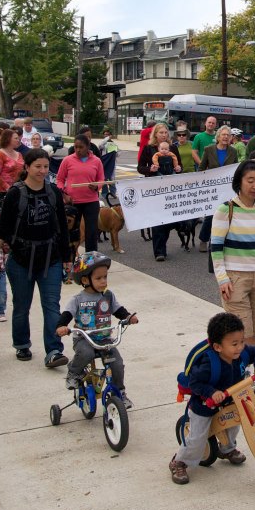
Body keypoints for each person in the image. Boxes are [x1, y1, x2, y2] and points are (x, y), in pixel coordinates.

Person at [0, 149, 71, 366]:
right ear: (27, 168)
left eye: (45, 167)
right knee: (22, 306)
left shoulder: (53, 192)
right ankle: (22, 345)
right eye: (38, 167)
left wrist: (67, 259)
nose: (43, 171)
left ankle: (54, 351)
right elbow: (2, 229)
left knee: (52, 305)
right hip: (21, 260)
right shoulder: (16, 193)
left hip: (50, 258)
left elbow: (62, 227)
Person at [168, 312, 255, 485]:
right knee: (197, 438)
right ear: (218, 347)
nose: (240, 347)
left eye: (242, 342)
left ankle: (227, 449)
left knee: (235, 422)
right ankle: (180, 461)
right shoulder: (208, 363)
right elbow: (195, 383)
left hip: (230, 399)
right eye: (234, 344)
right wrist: (211, 392)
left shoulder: (242, 353)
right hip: (205, 405)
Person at [210, 160, 255, 349]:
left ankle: (244, 373)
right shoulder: (226, 210)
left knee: (254, 332)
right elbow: (216, 248)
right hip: (235, 279)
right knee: (240, 332)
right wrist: (222, 279)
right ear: (239, 181)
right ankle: (239, 374)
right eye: (250, 180)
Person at [56, 251, 138, 407]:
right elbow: (67, 314)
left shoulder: (108, 296)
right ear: (86, 280)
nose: (103, 281)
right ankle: (73, 372)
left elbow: (118, 310)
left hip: (104, 338)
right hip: (84, 338)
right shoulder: (78, 299)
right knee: (86, 353)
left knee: (117, 364)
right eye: (98, 278)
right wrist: (61, 326)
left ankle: (119, 392)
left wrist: (128, 317)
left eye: (105, 277)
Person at [138, 123, 181, 261]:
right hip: (154, 189)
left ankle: (162, 244)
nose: (163, 135)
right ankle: (159, 251)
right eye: (161, 132)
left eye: (165, 132)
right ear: (155, 134)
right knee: (157, 221)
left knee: (168, 221)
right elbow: (140, 167)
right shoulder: (149, 148)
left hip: (170, 189)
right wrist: (149, 169)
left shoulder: (173, 148)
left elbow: (179, 166)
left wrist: (179, 169)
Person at [57, 135, 104, 252]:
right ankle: (70, 258)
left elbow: (101, 179)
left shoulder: (96, 161)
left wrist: (96, 186)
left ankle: (91, 259)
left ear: (88, 147)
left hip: (91, 201)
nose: (77, 150)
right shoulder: (67, 160)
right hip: (72, 202)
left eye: (81, 147)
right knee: (72, 231)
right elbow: (59, 179)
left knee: (91, 232)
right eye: (75, 147)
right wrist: (63, 194)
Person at [198, 127, 239, 252]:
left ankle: (223, 241)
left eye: (228, 135)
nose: (226, 137)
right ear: (218, 136)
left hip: (227, 189)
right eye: (223, 135)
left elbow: (235, 169)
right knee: (211, 215)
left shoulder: (233, 151)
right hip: (212, 189)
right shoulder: (209, 150)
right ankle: (203, 240)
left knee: (227, 215)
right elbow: (201, 168)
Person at [0, 126, 25, 207]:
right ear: (8, 139)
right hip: (2, 192)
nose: (18, 140)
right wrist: (7, 187)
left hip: (18, 190)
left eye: (18, 138)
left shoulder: (19, 154)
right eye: (15, 138)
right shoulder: (0, 154)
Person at [98, 128, 120, 199]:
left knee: (111, 178)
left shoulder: (113, 144)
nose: (106, 136)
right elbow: (100, 145)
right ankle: (105, 193)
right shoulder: (102, 144)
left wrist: (115, 153)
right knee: (103, 178)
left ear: (110, 135)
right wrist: (107, 139)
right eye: (104, 135)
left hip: (111, 164)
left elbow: (118, 154)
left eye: (107, 135)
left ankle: (113, 193)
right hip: (103, 163)